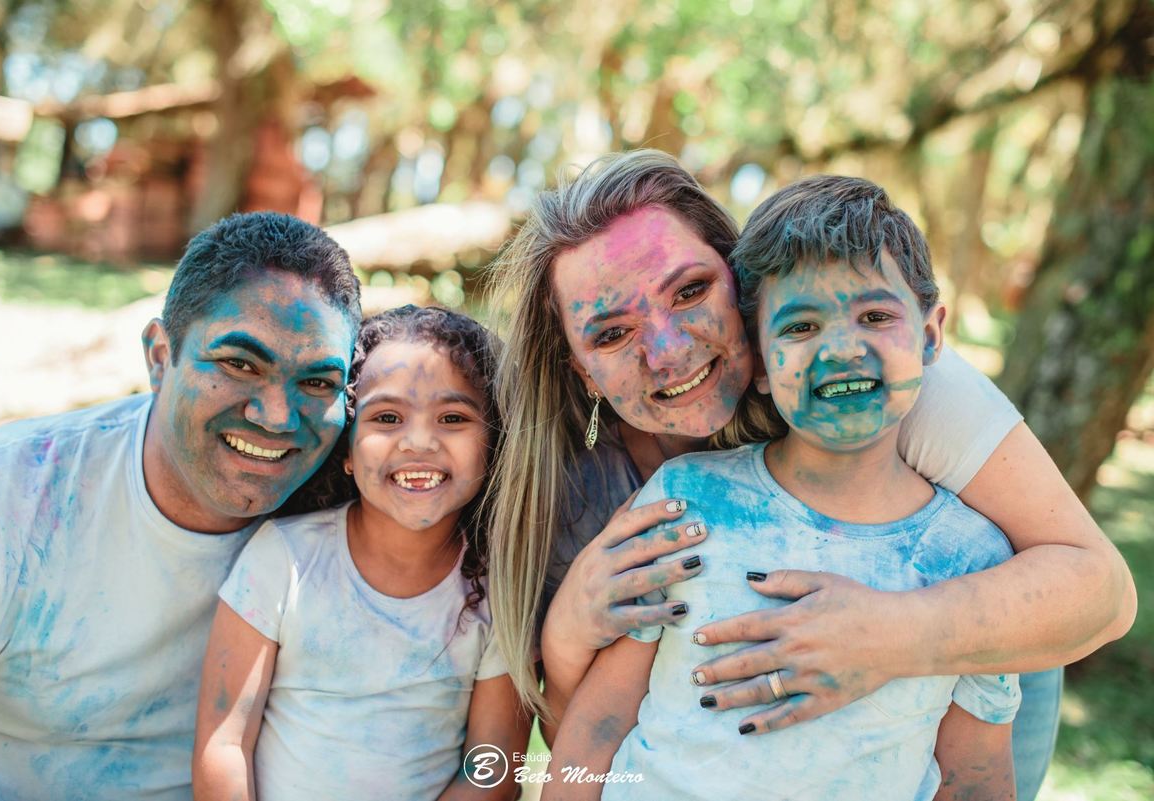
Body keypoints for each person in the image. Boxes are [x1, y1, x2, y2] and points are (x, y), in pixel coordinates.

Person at [484, 149, 1135, 800]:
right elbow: (593, 740)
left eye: (690, 291)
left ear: (738, 280)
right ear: (579, 369)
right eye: (611, 334)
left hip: (991, 657)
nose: (669, 350)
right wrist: (565, 636)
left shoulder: (883, 384)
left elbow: (1103, 595)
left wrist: (885, 637)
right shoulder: (576, 484)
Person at [547, 175, 1020, 801]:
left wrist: (900, 634)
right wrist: (563, 630)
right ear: (763, 356)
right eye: (800, 328)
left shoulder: (972, 552)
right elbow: (593, 730)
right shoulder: (682, 501)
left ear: (931, 335)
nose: (842, 348)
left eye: (875, 317)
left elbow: (975, 774)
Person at [0, 212, 361, 800]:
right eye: (240, 364)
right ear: (159, 355)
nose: (277, 417)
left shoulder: (353, 521)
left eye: (318, 382)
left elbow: (475, 749)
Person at [193, 306, 531, 801]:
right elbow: (224, 745)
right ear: (347, 449)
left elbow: (492, 772)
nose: (419, 442)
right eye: (387, 418)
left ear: (493, 444)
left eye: (453, 418)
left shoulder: (499, 593)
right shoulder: (284, 560)